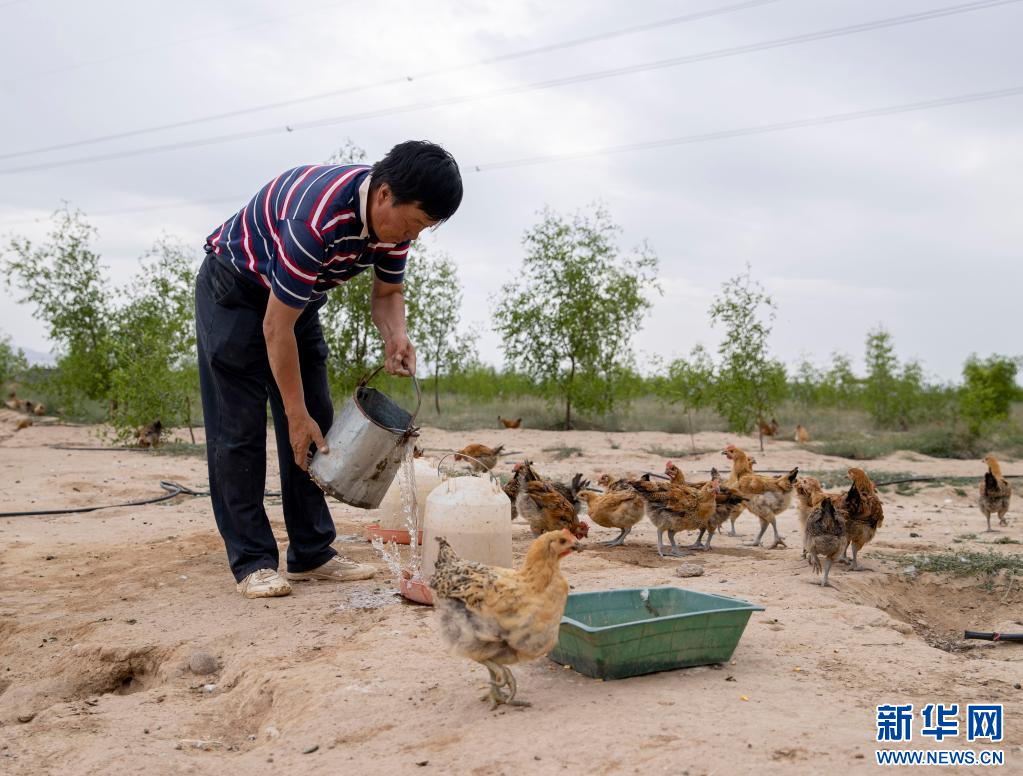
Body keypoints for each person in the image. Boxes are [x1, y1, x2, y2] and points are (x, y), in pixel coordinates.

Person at [195, 140, 462, 598]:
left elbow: (387, 294)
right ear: (384, 195)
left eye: (424, 229)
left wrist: (395, 335)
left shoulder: (393, 230)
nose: (414, 237)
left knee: (317, 422)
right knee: (239, 430)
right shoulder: (316, 220)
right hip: (235, 290)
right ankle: (253, 561)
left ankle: (312, 553)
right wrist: (293, 416)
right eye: (416, 223)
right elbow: (275, 328)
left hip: (295, 300)